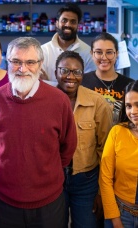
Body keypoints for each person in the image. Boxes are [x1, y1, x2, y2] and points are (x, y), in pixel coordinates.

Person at [0, 37, 77, 227]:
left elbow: (68, 147)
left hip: (49, 202)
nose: (22, 68)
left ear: (40, 64)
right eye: (16, 61)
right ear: (7, 62)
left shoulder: (59, 101)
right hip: (6, 202)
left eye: (30, 62)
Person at [55, 51, 113, 227]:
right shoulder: (45, 101)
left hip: (87, 181)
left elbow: (106, 151)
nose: (70, 77)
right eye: (64, 70)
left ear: (83, 74)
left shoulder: (97, 102)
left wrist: (102, 192)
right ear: (55, 71)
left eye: (77, 72)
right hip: (53, 180)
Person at [99, 80, 138, 228]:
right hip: (121, 214)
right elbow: (105, 178)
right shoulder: (117, 132)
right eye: (128, 106)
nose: (132, 111)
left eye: (137, 104)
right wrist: (115, 220)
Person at [82, 32, 134, 122]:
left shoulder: (130, 85)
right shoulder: (82, 82)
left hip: (120, 134)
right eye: (99, 52)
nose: (104, 57)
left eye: (109, 52)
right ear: (92, 53)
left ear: (116, 54)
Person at [41, 3, 96, 86]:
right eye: (64, 20)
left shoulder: (88, 53)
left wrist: (49, 84)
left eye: (73, 22)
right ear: (56, 23)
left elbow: (87, 87)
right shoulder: (43, 51)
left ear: (78, 25)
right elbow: (39, 84)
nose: (68, 25)